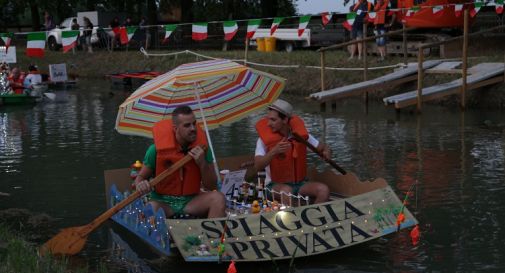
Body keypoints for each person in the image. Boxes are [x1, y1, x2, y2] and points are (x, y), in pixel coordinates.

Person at [134, 105, 226, 218]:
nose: (193, 128)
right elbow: (140, 177)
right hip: (163, 202)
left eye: (194, 123)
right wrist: (141, 185)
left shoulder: (203, 149)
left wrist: (202, 163)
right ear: (175, 128)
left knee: (218, 198)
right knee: (150, 209)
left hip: (191, 201)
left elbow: (211, 186)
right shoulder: (155, 150)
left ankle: (212, 234)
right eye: (187, 125)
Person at [254, 99, 331, 204]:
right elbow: (257, 166)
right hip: (273, 185)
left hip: (299, 184)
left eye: (273, 120)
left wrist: (327, 152)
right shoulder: (263, 140)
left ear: (285, 120)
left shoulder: (300, 136)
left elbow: (324, 147)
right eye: (268, 119)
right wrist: (274, 151)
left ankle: (313, 216)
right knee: (286, 191)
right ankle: (290, 219)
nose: (268, 124)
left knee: (323, 190)